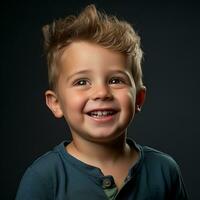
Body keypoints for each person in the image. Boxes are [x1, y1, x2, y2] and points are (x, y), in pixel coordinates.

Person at [15, 4, 189, 200]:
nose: (101, 93)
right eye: (82, 82)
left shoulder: (165, 171)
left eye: (116, 80)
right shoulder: (43, 179)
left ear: (139, 98)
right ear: (56, 103)